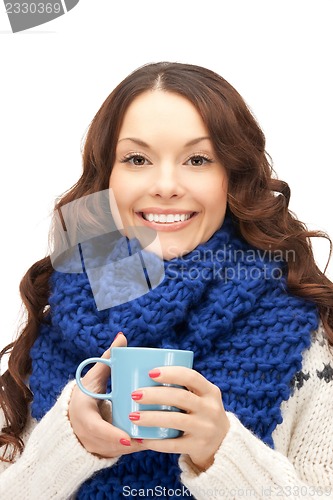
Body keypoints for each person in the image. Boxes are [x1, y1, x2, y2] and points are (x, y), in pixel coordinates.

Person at [0, 61, 332, 499]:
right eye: (137, 159)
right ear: (107, 178)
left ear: (230, 176)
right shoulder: (58, 313)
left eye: (197, 159)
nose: (165, 185)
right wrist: (66, 445)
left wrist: (224, 455)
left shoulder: (304, 334)